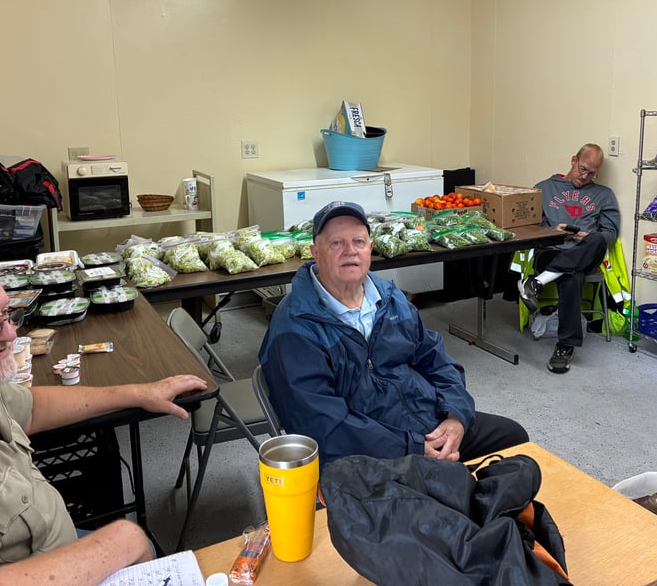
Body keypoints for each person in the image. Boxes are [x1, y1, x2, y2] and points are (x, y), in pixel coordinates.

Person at [0, 254, 210, 586]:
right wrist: (118, 540)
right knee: (142, 544)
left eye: (6, 315)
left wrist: (138, 393)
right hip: (28, 566)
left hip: (45, 547)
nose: (7, 334)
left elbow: (30, 407)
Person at [259, 201, 529, 467]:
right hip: (366, 451)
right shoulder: (295, 327)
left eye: (359, 242)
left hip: (426, 423)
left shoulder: (388, 297)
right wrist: (411, 447)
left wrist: (455, 417)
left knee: (514, 440)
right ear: (315, 252)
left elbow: (434, 358)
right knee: (445, 490)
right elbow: (321, 424)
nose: (350, 251)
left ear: (370, 249)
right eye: (336, 243)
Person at [517, 143, 620, 374]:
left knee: (597, 240)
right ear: (573, 160)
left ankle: (536, 283)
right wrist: (554, 232)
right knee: (572, 275)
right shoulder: (543, 188)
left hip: (586, 251)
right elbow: (527, 229)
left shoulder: (604, 195)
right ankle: (566, 346)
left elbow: (610, 234)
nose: (584, 177)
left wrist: (586, 236)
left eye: (591, 173)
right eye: (582, 168)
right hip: (551, 251)